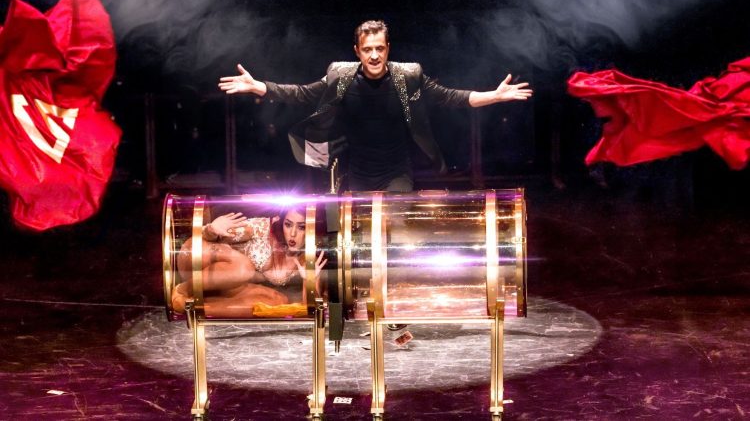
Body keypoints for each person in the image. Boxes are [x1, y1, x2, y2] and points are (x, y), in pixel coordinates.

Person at [218, 20, 533, 192]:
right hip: (357, 173)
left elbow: (450, 97)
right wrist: (259, 87)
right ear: (357, 51)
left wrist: (494, 95)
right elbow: (302, 93)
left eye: (379, 48)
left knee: (390, 227)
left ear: (388, 49)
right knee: (358, 238)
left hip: (397, 173)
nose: (374, 55)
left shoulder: (408, 76)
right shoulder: (340, 76)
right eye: (367, 49)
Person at [172, 206, 327, 318]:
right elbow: (209, 235)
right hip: (197, 256)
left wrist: (309, 281)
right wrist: (211, 230)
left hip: (221, 283)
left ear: (313, 230)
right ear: (280, 222)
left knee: (278, 301)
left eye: (301, 227)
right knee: (244, 268)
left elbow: (309, 308)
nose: (292, 233)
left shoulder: (308, 258)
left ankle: (194, 308)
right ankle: (182, 291)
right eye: (288, 224)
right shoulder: (260, 228)